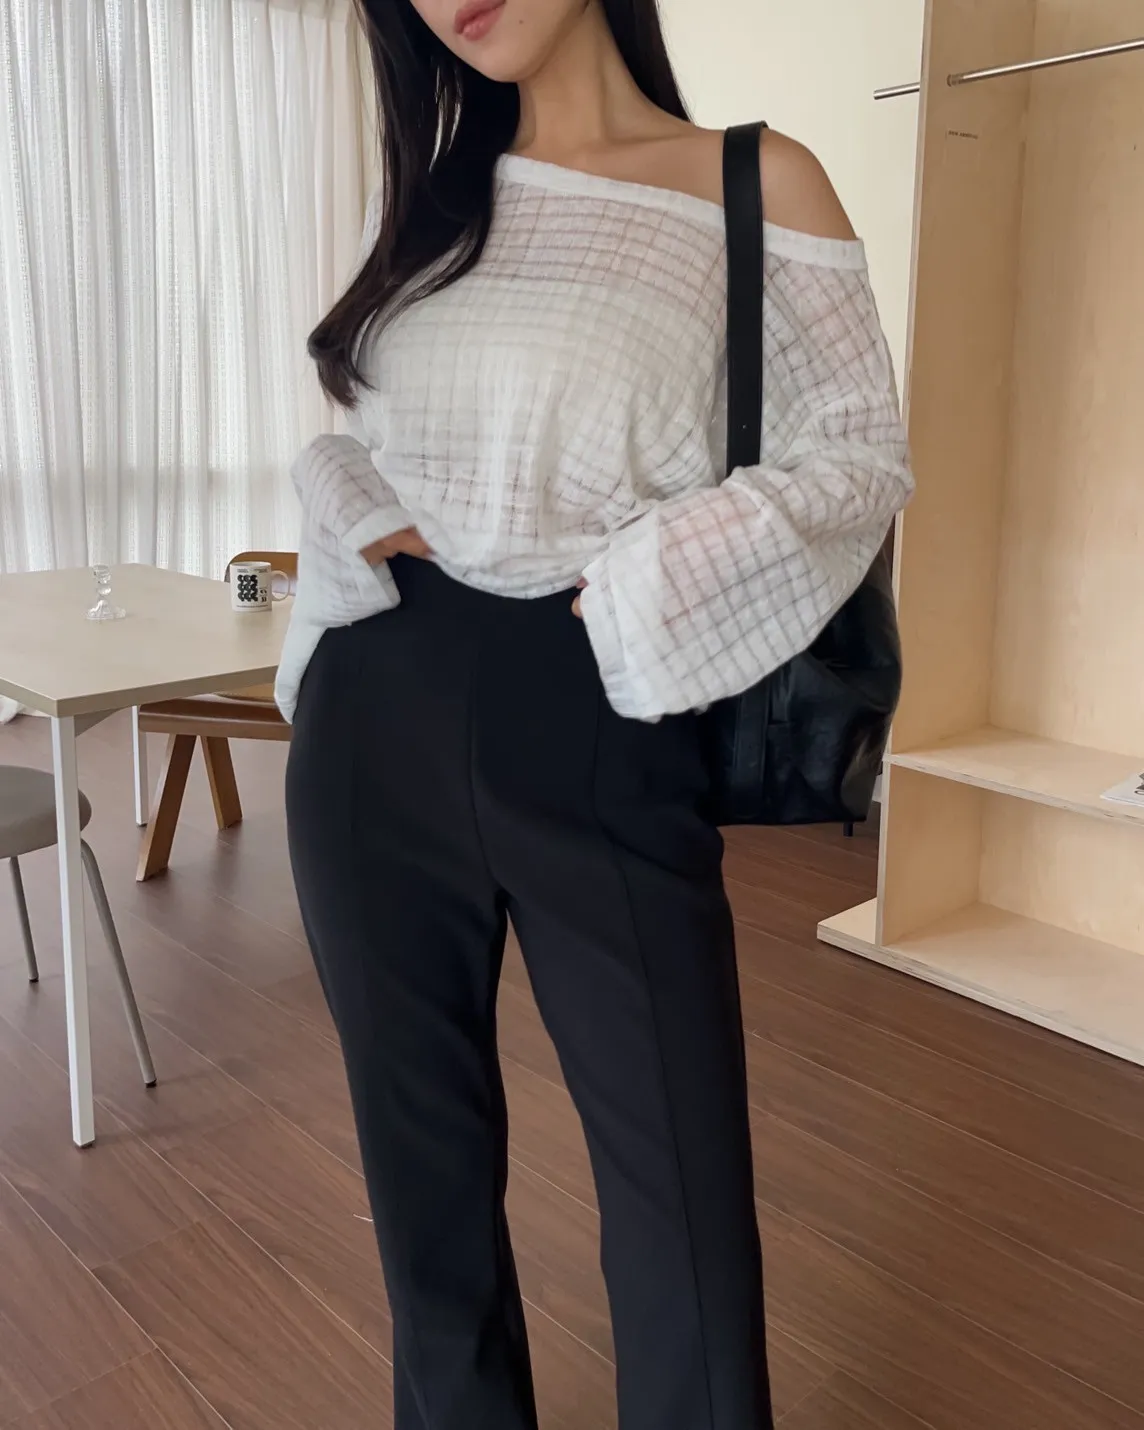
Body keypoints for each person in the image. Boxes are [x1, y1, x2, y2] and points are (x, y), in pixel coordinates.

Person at [279, 2, 913, 1427]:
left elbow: (859, 456)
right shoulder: (435, 202)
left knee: (678, 1189)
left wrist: (649, 574)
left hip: (597, 702)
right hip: (375, 703)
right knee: (424, 1197)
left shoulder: (755, 181)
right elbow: (357, 437)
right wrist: (364, 514)